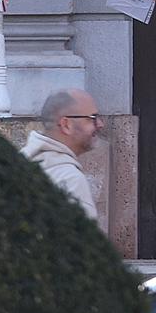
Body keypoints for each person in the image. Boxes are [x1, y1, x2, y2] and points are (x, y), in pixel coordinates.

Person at [21, 89, 101, 226]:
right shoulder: (70, 180)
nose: (100, 124)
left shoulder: (21, 163)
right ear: (66, 125)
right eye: (92, 118)